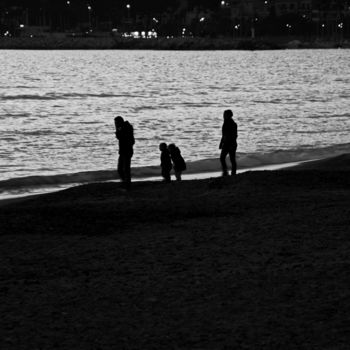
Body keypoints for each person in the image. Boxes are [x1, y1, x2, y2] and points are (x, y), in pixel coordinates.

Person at [114, 116, 135, 188]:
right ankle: (125, 182)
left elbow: (122, 137)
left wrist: (118, 130)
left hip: (127, 151)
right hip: (123, 151)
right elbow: (119, 137)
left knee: (126, 169)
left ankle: (127, 184)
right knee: (120, 169)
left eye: (116, 123)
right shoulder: (122, 128)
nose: (115, 124)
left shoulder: (127, 127)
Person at [219, 109, 237, 176]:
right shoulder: (224, 123)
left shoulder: (233, 124)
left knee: (232, 159)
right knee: (222, 158)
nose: (223, 116)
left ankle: (233, 173)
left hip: (232, 144)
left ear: (229, 116)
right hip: (226, 144)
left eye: (225, 115)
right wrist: (221, 143)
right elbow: (223, 135)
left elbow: (235, 135)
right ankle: (225, 171)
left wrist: (230, 144)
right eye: (224, 115)